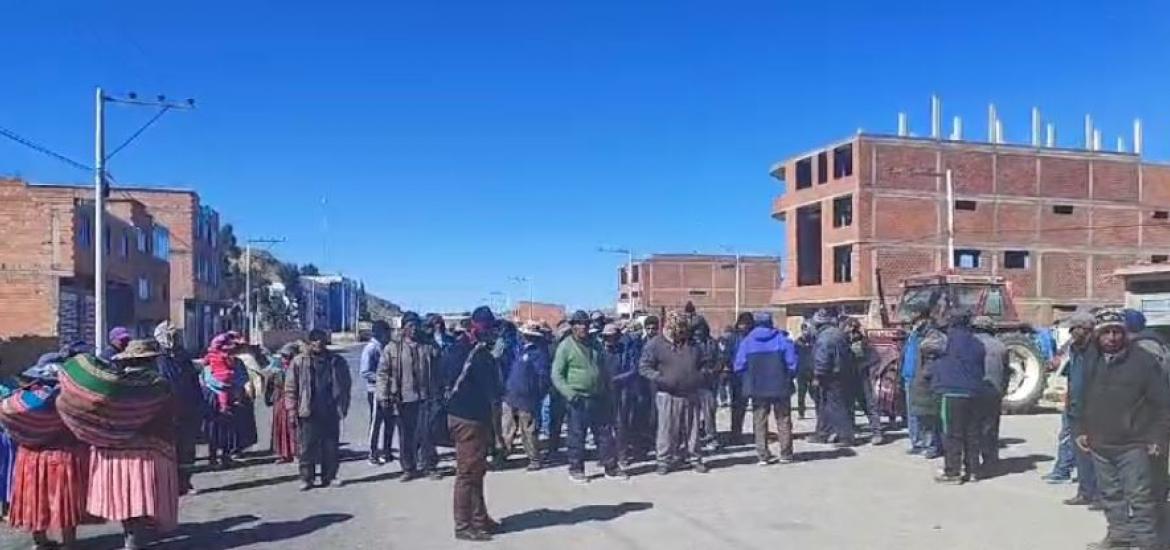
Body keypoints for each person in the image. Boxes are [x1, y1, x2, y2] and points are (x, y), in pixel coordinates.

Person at [59, 340, 179, 550]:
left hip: (113, 452)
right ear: (150, 361)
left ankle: (131, 538)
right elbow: (169, 413)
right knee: (140, 499)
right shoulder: (157, 384)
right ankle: (134, 541)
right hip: (147, 451)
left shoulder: (114, 387)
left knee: (126, 498)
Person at [1077, 309, 1170, 550]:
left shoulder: (1143, 361)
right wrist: (1082, 429)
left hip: (1134, 444)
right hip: (1101, 443)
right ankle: (1119, 536)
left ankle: (1147, 543)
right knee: (1110, 495)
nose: (1111, 337)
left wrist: (1158, 437)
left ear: (1125, 333)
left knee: (1140, 499)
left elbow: (1161, 404)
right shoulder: (1091, 360)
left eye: (1116, 332)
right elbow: (1083, 398)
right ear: (1097, 336)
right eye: (1106, 332)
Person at [0, 354, 89, 549]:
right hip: (65, 454)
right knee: (66, 500)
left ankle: (40, 541)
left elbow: (6, 411)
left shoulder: (27, 398)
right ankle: (69, 542)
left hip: (32, 455)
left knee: (36, 499)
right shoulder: (70, 398)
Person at [443, 306, 502, 542]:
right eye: (488, 327)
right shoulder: (480, 355)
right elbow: (494, 392)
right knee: (468, 474)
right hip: (470, 420)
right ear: (478, 327)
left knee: (477, 471)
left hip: (460, 416)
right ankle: (463, 525)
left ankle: (480, 519)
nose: (491, 332)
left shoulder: (456, 348)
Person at [552, 311, 623, 483]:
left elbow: (603, 368)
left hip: (598, 396)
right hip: (578, 398)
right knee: (577, 435)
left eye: (585, 323)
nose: (583, 327)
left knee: (604, 434)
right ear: (573, 326)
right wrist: (570, 394)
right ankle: (576, 469)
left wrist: (607, 390)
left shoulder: (595, 344)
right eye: (579, 324)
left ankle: (610, 467)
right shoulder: (566, 346)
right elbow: (556, 375)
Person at [639, 310, 710, 475]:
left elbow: (705, 363)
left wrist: (701, 375)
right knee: (666, 429)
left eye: (683, 330)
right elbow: (644, 367)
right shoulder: (655, 344)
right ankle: (664, 460)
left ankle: (694, 458)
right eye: (677, 330)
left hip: (691, 392)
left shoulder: (693, 345)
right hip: (667, 393)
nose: (681, 333)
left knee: (693, 430)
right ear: (669, 328)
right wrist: (661, 378)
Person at [379, 312, 444, 481]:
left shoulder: (428, 345)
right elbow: (383, 373)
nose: (413, 330)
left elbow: (439, 369)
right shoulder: (392, 348)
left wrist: (441, 391)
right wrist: (383, 395)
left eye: (416, 326)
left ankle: (429, 466)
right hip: (403, 398)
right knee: (406, 435)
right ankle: (408, 468)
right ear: (403, 328)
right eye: (409, 326)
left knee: (427, 433)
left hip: (426, 397)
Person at [285, 329, 352, 490]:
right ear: (309, 342)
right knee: (307, 447)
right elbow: (290, 387)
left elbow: (346, 385)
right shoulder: (299, 362)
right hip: (308, 410)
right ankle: (307, 478)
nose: (318, 343)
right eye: (314, 340)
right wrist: (292, 410)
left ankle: (330, 476)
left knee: (330, 447)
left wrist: (343, 405)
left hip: (330, 410)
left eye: (321, 340)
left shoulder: (336, 361)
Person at [925, 310, 986, 484]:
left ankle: (953, 471)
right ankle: (973, 470)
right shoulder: (978, 343)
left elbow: (925, 347)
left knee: (952, 434)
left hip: (951, 392)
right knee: (972, 434)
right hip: (974, 392)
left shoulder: (944, 339)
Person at [734, 311, 797, 465]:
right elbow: (793, 364)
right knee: (783, 419)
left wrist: (748, 378)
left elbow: (738, 366)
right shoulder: (782, 340)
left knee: (759, 420)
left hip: (757, 388)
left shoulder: (747, 342)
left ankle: (763, 454)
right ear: (771, 322)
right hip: (780, 386)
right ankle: (786, 453)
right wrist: (788, 377)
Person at [154, 321, 204, 495]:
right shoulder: (157, 359)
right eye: (171, 336)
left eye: (176, 336)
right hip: (166, 412)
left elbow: (194, 383)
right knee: (169, 450)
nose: (174, 340)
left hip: (188, 411)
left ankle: (185, 483)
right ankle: (169, 484)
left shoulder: (183, 357)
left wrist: (199, 406)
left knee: (187, 449)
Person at [1058, 312, 1100, 509]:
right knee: (1080, 452)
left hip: (1094, 409)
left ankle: (1101, 495)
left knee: (1097, 455)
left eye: (1077, 328)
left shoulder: (1097, 350)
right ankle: (1085, 491)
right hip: (1075, 407)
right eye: (1072, 329)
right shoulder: (1075, 349)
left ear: (1087, 329)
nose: (1073, 332)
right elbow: (1072, 377)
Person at [202, 332, 257, 468]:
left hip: (224, 398)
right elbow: (206, 379)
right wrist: (225, 386)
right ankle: (216, 457)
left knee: (225, 429)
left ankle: (222, 456)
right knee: (218, 429)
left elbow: (242, 378)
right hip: (219, 399)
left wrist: (230, 386)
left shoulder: (232, 362)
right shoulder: (214, 362)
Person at [502, 321, 550, 471]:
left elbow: (543, 378)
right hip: (510, 394)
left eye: (529, 335)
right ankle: (501, 455)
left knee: (528, 430)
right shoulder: (518, 349)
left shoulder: (539, 354)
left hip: (528, 398)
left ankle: (534, 458)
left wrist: (536, 395)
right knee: (507, 428)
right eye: (525, 334)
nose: (526, 337)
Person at [969, 316, 1007, 473]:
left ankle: (973, 461)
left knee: (973, 427)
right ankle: (990, 459)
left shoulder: (970, 344)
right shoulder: (1000, 346)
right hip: (994, 392)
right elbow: (1006, 372)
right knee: (991, 428)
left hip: (974, 391)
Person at [812, 309, 855, 447]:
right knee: (830, 405)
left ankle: (845, 436)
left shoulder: (825, 337)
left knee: (835, 406)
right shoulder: (838, 333)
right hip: (843, 373)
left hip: (830, 375)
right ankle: (823, 433)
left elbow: (823, 358)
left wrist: (818, 375)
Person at [603, 322, 643, 468]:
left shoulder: (625, 350)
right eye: (606, 337)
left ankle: (622, 455)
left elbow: (633, 370)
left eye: (612, 336)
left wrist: (617, 379)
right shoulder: (601, 351)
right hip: (605, 391)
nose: (609, 339)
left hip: (622, 391)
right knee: (605, 425)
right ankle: (606, 455)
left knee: (621, 424)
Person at [360, 320, 395, 466]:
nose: (389, 335)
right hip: (375, 391)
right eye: (387, 332)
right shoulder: (371, 349)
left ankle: (387, 451)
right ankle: (372, 453)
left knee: (390, 422)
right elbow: (365, 372)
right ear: (380, 333)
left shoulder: (387, 347)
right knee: (376, 423)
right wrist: (382, 378)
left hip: (389, 390)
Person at [265, 342, 301, 464]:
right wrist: (269, 398)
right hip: (279, 401)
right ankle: (283, 454)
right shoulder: (276, 369)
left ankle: (297, 453)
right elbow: (269, 385)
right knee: (280, 427)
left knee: (294, 427)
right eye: (283, 356)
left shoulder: (299, 367)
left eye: (288, 356)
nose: (285, 359)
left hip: (295, 401)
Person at [901, 307, 931, 454]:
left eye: (915, 319)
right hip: (909, 376)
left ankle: (928, 443)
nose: (913, 323)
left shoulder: (927, 334)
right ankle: (916, 442)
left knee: (924, 413)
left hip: (921, 378)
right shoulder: (912, 335)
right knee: (912, 412)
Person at [692, 318, 722, 451]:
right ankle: (693, 438)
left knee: (709, 412)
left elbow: (720, 359)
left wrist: (714, 370)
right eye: (696, 330)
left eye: (701, 329)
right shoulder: (689, 344)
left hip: (709, 382)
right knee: (693, 414)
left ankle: (711, 436)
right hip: (693, 382)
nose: (699, 332)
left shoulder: (712, 343)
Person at [726, 313, 755, 443]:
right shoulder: (734, 338)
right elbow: (728, 354)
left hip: (752, 376)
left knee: (758, 407)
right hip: (737, 377)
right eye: (742, 324)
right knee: (738, 407)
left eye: (746, 324)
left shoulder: (754, 337)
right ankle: (736, 433)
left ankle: (758, 433)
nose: (744, 326)